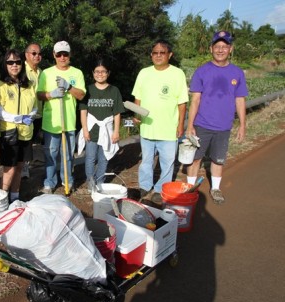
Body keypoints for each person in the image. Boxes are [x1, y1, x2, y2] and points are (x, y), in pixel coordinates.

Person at [186, 31, 248, 204]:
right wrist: (190, 125)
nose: (220, 50)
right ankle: (190, 189)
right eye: (217, 46)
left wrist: (242, 125)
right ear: (211, 48)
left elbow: (240, 100)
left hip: (224, 126)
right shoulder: (202, 71)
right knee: (195, 158)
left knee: (218, 159)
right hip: (202, 124)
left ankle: (215, 188)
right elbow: (195, 100)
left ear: (230, 49)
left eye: (224, 46)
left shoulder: (237, 73)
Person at [131, 39, 189, 204]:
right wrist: (137, 115)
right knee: (146, 160)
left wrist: (180, 125)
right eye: (155, 53)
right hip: (147, 128)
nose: (158, 56)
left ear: (169, 55)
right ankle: (144, 185)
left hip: (168, 128)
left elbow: (182, 103)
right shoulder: (144, 72)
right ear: (151, 55)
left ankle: (160, 188)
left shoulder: (177, 73)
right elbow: (138, 98)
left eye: (162, 53)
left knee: (167, 162)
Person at [37, 41, 86, 194]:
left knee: (68, 155)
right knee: (50, 155)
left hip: (69, 122)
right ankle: (49, 183)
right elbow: (39, 95)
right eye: (59, 54)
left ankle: (67, 181)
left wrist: (69, 87)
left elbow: (81, 95)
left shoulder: (77, 73)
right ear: (54, 55)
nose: (62, 57)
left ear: (70, 54)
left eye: (65, 54)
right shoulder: (46, 73)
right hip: (50, 123)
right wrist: (51, 94)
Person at [0, 49, 38, 202]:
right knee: (9, 169)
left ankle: (15, 198)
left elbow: (35, 107)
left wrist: (29, 117)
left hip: (26, 133)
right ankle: (1, 199)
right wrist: (18, 118)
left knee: (19, 168)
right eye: (10, 62)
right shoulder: (0, 85)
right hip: (9, 133)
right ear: (5, 65)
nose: (14, 65)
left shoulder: (29, 85)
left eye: (17, 62)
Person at [78, 59, 124, 192]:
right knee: (90, 158)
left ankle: (100, 182)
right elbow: (83, 111)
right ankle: (90, 181)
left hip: (107, 130)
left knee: (104, 158)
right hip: (92, 129)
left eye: (103, 71)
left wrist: (116, 132)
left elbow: (117, 114)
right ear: (93, 73)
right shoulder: (88, 90)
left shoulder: (114, 90)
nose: (100, 74)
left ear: (108, 73)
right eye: (97, 71)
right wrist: (85, 130)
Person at [21, 42, 43, 179]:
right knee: (24, 141)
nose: (37, 56)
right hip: (26, 114)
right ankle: (23, 168)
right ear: (26, 55)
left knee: (32, 141)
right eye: (34, 53)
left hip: (39, 113)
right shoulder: (21, 70)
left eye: (39, 53)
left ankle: (27, 164)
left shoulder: (41, 72)